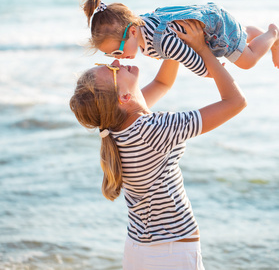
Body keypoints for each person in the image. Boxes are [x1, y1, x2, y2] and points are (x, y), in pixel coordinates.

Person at [70, 21, 247, 269]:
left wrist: (172, 38)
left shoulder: (118, 126)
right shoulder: (153, 130)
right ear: (124, 97)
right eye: (111, 69)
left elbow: (163, 83)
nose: (117, 61)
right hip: (171, 253)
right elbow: (235, 102)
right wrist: (204, 51)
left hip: (138, 248)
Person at [81, 0, 279, 79]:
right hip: (212, 20)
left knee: (247, 61)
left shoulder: (163, 41)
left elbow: (187, 56)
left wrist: (206, 72)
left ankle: (273, 34)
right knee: (237, 37)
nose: (118, 57)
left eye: (117, 50)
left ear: (132, 32)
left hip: (215, 28)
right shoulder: (137, 25)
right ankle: (247, 32)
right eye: (110, 55)